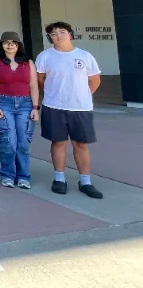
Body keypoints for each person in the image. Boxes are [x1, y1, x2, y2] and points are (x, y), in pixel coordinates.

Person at [36, 22, 102, 199]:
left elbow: (95, 80)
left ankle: (85, 181)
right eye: (53, 33)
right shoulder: (44, 56)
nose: (58, 36)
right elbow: (40, 79)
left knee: (81, 144)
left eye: (62, 32)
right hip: (54, 106)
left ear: (70, 34)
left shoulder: (84, 56)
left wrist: (82, 96)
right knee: (58, 142)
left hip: (80, 108)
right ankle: (59, 179)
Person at [0, 31, 39, 189]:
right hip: (4, 103)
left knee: (23, 142)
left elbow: (33, 86)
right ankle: (8, 174)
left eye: (13, 42)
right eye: (6, 42)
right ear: (1, 45)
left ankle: (23, 175)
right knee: (8, 141)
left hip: (25, 104)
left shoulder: (28, 63)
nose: (9, 45)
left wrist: (35, 107)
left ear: (18, 45)